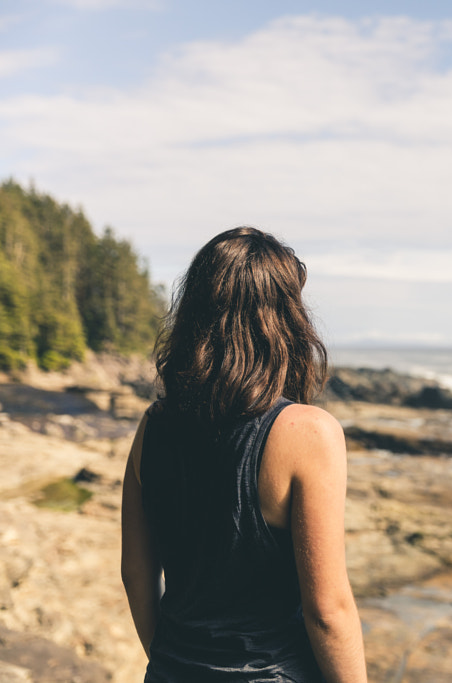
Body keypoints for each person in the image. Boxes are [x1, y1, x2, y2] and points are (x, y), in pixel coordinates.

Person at [120, 227, 367, 682]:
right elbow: (328, 612)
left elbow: (136, 573)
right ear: (285, 317)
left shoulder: (152, 427)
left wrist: (174, 662)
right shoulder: (308, 432)